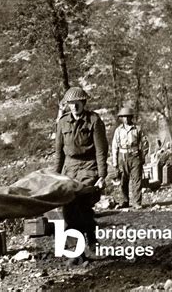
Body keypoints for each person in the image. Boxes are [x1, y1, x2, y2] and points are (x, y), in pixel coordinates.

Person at [54, 87, 108, 264]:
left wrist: (102, 175)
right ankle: (76, 251)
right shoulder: (62, 123)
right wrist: (55, 176)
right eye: (70, 104)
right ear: (67, 105)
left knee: (82, 205)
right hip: (69, 169)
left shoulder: (93, 120)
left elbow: (101, 150)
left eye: (77, 103)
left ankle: (92, 243)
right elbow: (59, 153)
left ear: (83, 103)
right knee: (68, 210)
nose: (74, 106)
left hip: (89, 167)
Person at [111, 107, 149, 209]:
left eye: (128, 117)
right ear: (121, 118)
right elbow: (114, 147)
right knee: (123, 180)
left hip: (135, 156)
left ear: (131, 117)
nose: (126, 119)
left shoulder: (137, 129)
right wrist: (115, 163)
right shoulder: (118, 130)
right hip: (123, 157)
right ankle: (124, 201)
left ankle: (137, 202)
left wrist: (143, 156)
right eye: (123, 117)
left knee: (137, 180)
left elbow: (145, 143)